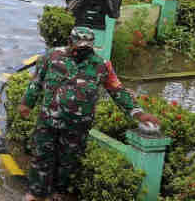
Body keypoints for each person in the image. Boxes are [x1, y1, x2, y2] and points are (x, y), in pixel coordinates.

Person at [18, 27, 160, 201]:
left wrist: (138, 114)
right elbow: (36, 82)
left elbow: (118, 91)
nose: (83, 50)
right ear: (70, 42)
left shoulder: (102, 65)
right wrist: (27, 103)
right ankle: (35, 193)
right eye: (79, 46)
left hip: (77, 127)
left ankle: (57, 194)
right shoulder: (52, 56)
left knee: (68, 162)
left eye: (87, 47)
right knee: (41, 157)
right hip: (48, 121)